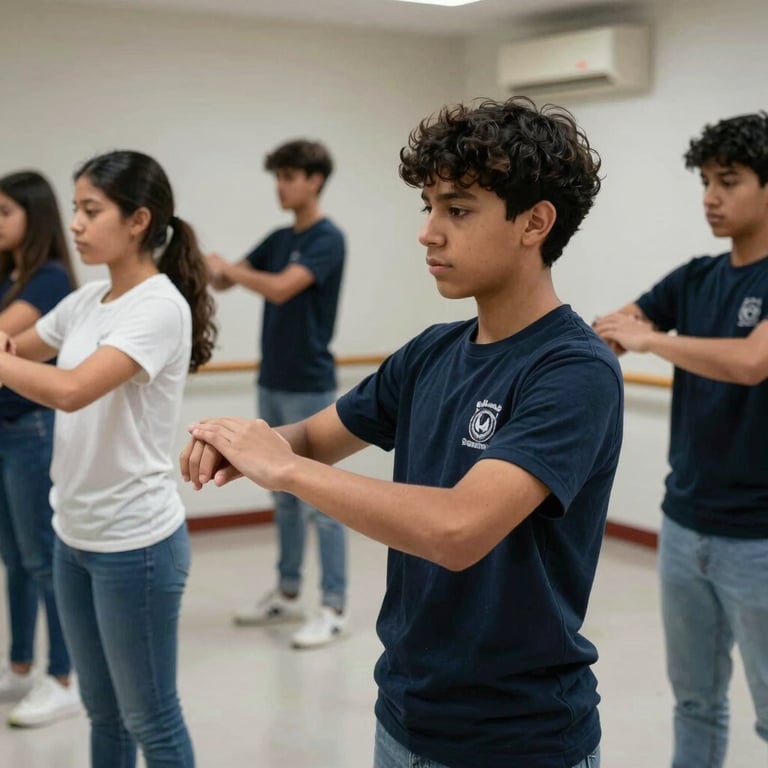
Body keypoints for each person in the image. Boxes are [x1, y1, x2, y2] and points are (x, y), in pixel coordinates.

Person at [182, 97, 624, 768]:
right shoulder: (431, 353)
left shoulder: (574, 369)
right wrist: (243, 441)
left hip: (518, 739)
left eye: (459, 209)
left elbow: (458, 530)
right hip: (407, 714)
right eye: (429, 209)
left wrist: (284, 470)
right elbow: (315, 437)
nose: (429, 233)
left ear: (535, 222)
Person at [0, 150, 216, 767]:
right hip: (75, 534)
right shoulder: (88, 302)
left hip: (136, 545)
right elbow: (25, 351)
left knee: (150, 716)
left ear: (138, 220)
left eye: (91, 210)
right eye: (75, 209)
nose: (75, 224)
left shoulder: (158, 306)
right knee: (103, 714)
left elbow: (70, 389)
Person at [593, 112, 768, 768]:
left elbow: (753, 361)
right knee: (695, 701)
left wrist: (650, 340)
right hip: (685, 524)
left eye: (729, 180)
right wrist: (602, 337)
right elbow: (623, 323)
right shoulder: (695, 277)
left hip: (758, 538)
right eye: (704, 181)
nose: (710, 197)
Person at [205, 139, 348, 649]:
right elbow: (226, 281)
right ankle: (288, 593)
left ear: (314, 180)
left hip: (310, 386)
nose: (281, 186)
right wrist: (207, 265)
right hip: (272, 382)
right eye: (278, 177)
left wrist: (234, 270)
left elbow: (283, 287)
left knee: (322, 501)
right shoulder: (279, 237)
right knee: (281, 497)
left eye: (289, 176)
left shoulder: (327, 239)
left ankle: (332, 606)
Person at [0, 170, 79, 727]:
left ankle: (62, 676)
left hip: (29, 430)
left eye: (5, 211)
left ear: (34, 216)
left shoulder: (49, 279)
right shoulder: (9, 273)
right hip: (4, 431)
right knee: (14, 558)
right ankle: (22, 664)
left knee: (41, 559)